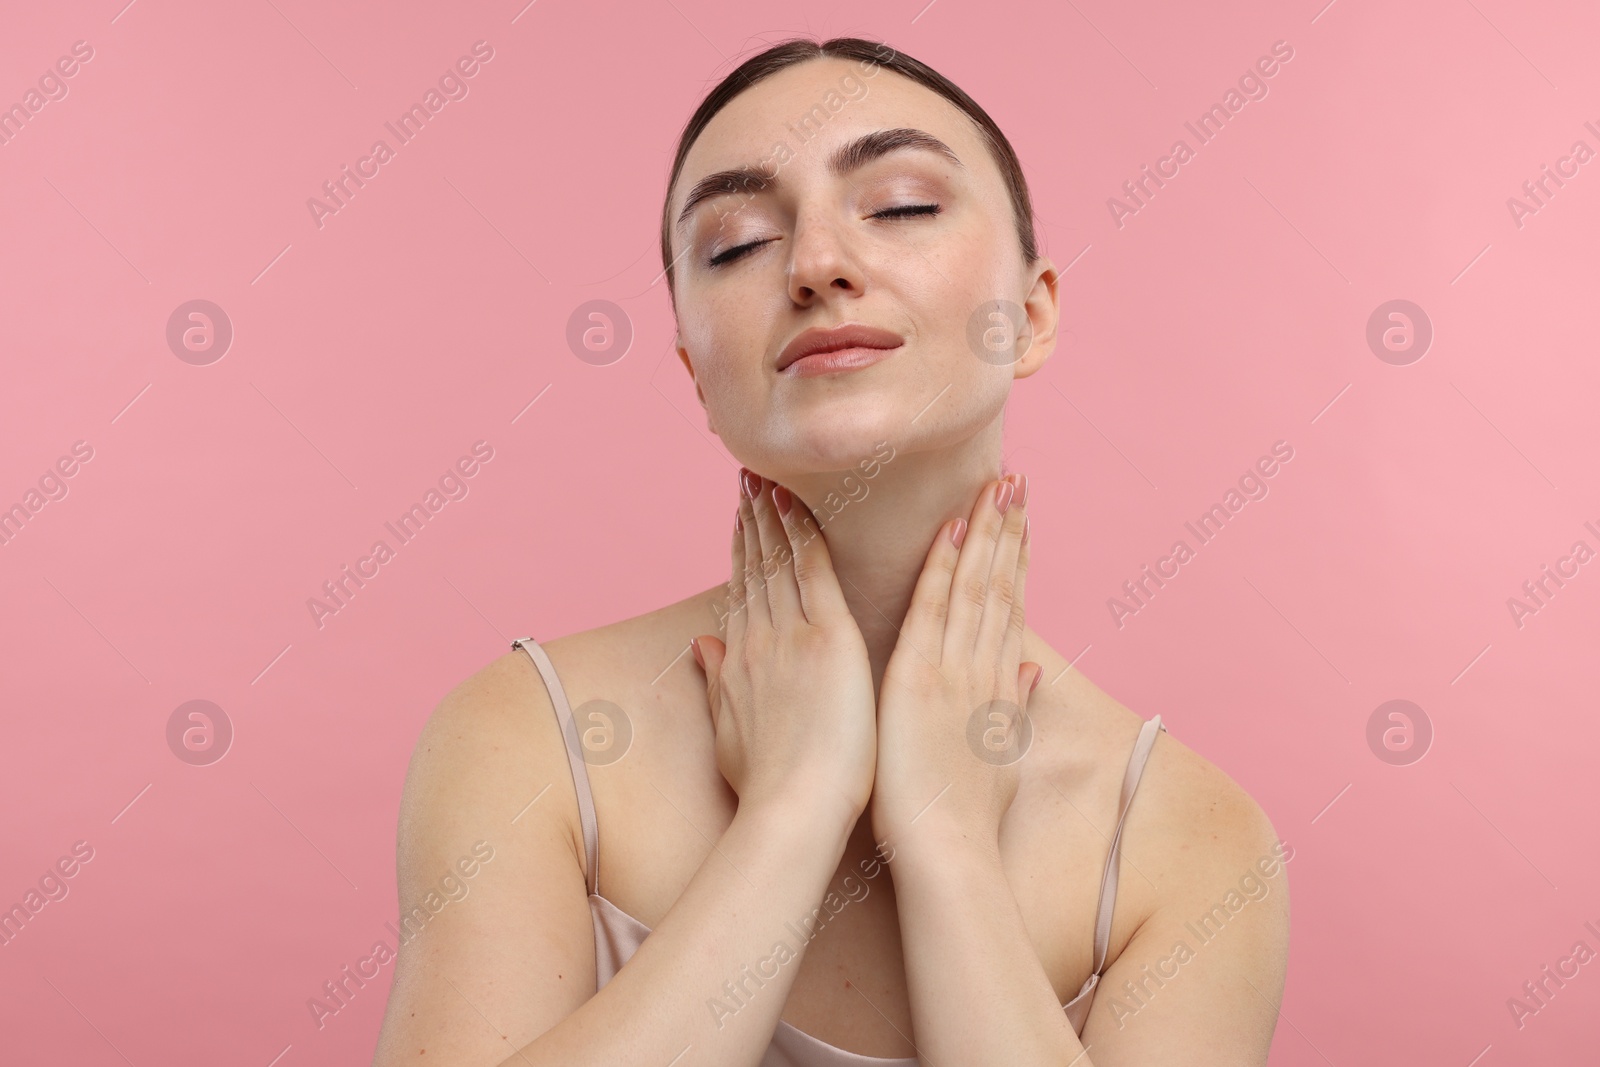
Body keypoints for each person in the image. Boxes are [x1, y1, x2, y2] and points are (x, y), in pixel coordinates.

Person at [372, 35, 1289, 1067]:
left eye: (900, 205)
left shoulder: (1191, 840)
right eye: (734, 244)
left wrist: (946, 843)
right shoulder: (527, 738)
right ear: (695, 372)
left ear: (1030, 315)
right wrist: (792, 808)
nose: (815, 265)